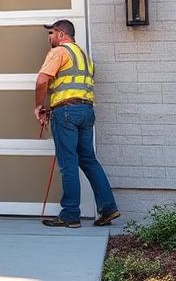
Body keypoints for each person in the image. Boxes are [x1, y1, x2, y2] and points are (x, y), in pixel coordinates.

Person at [34, 19, 120, 228]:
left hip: (66, 113)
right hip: (86, 111)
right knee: (88, 159)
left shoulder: (59, 52)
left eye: (51, 33)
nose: (50, 38)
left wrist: (39, 106)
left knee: (68, 162)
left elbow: (42, 81)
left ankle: (70, 214)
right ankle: (108, 208)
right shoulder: (84, 57)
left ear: (62, 35)